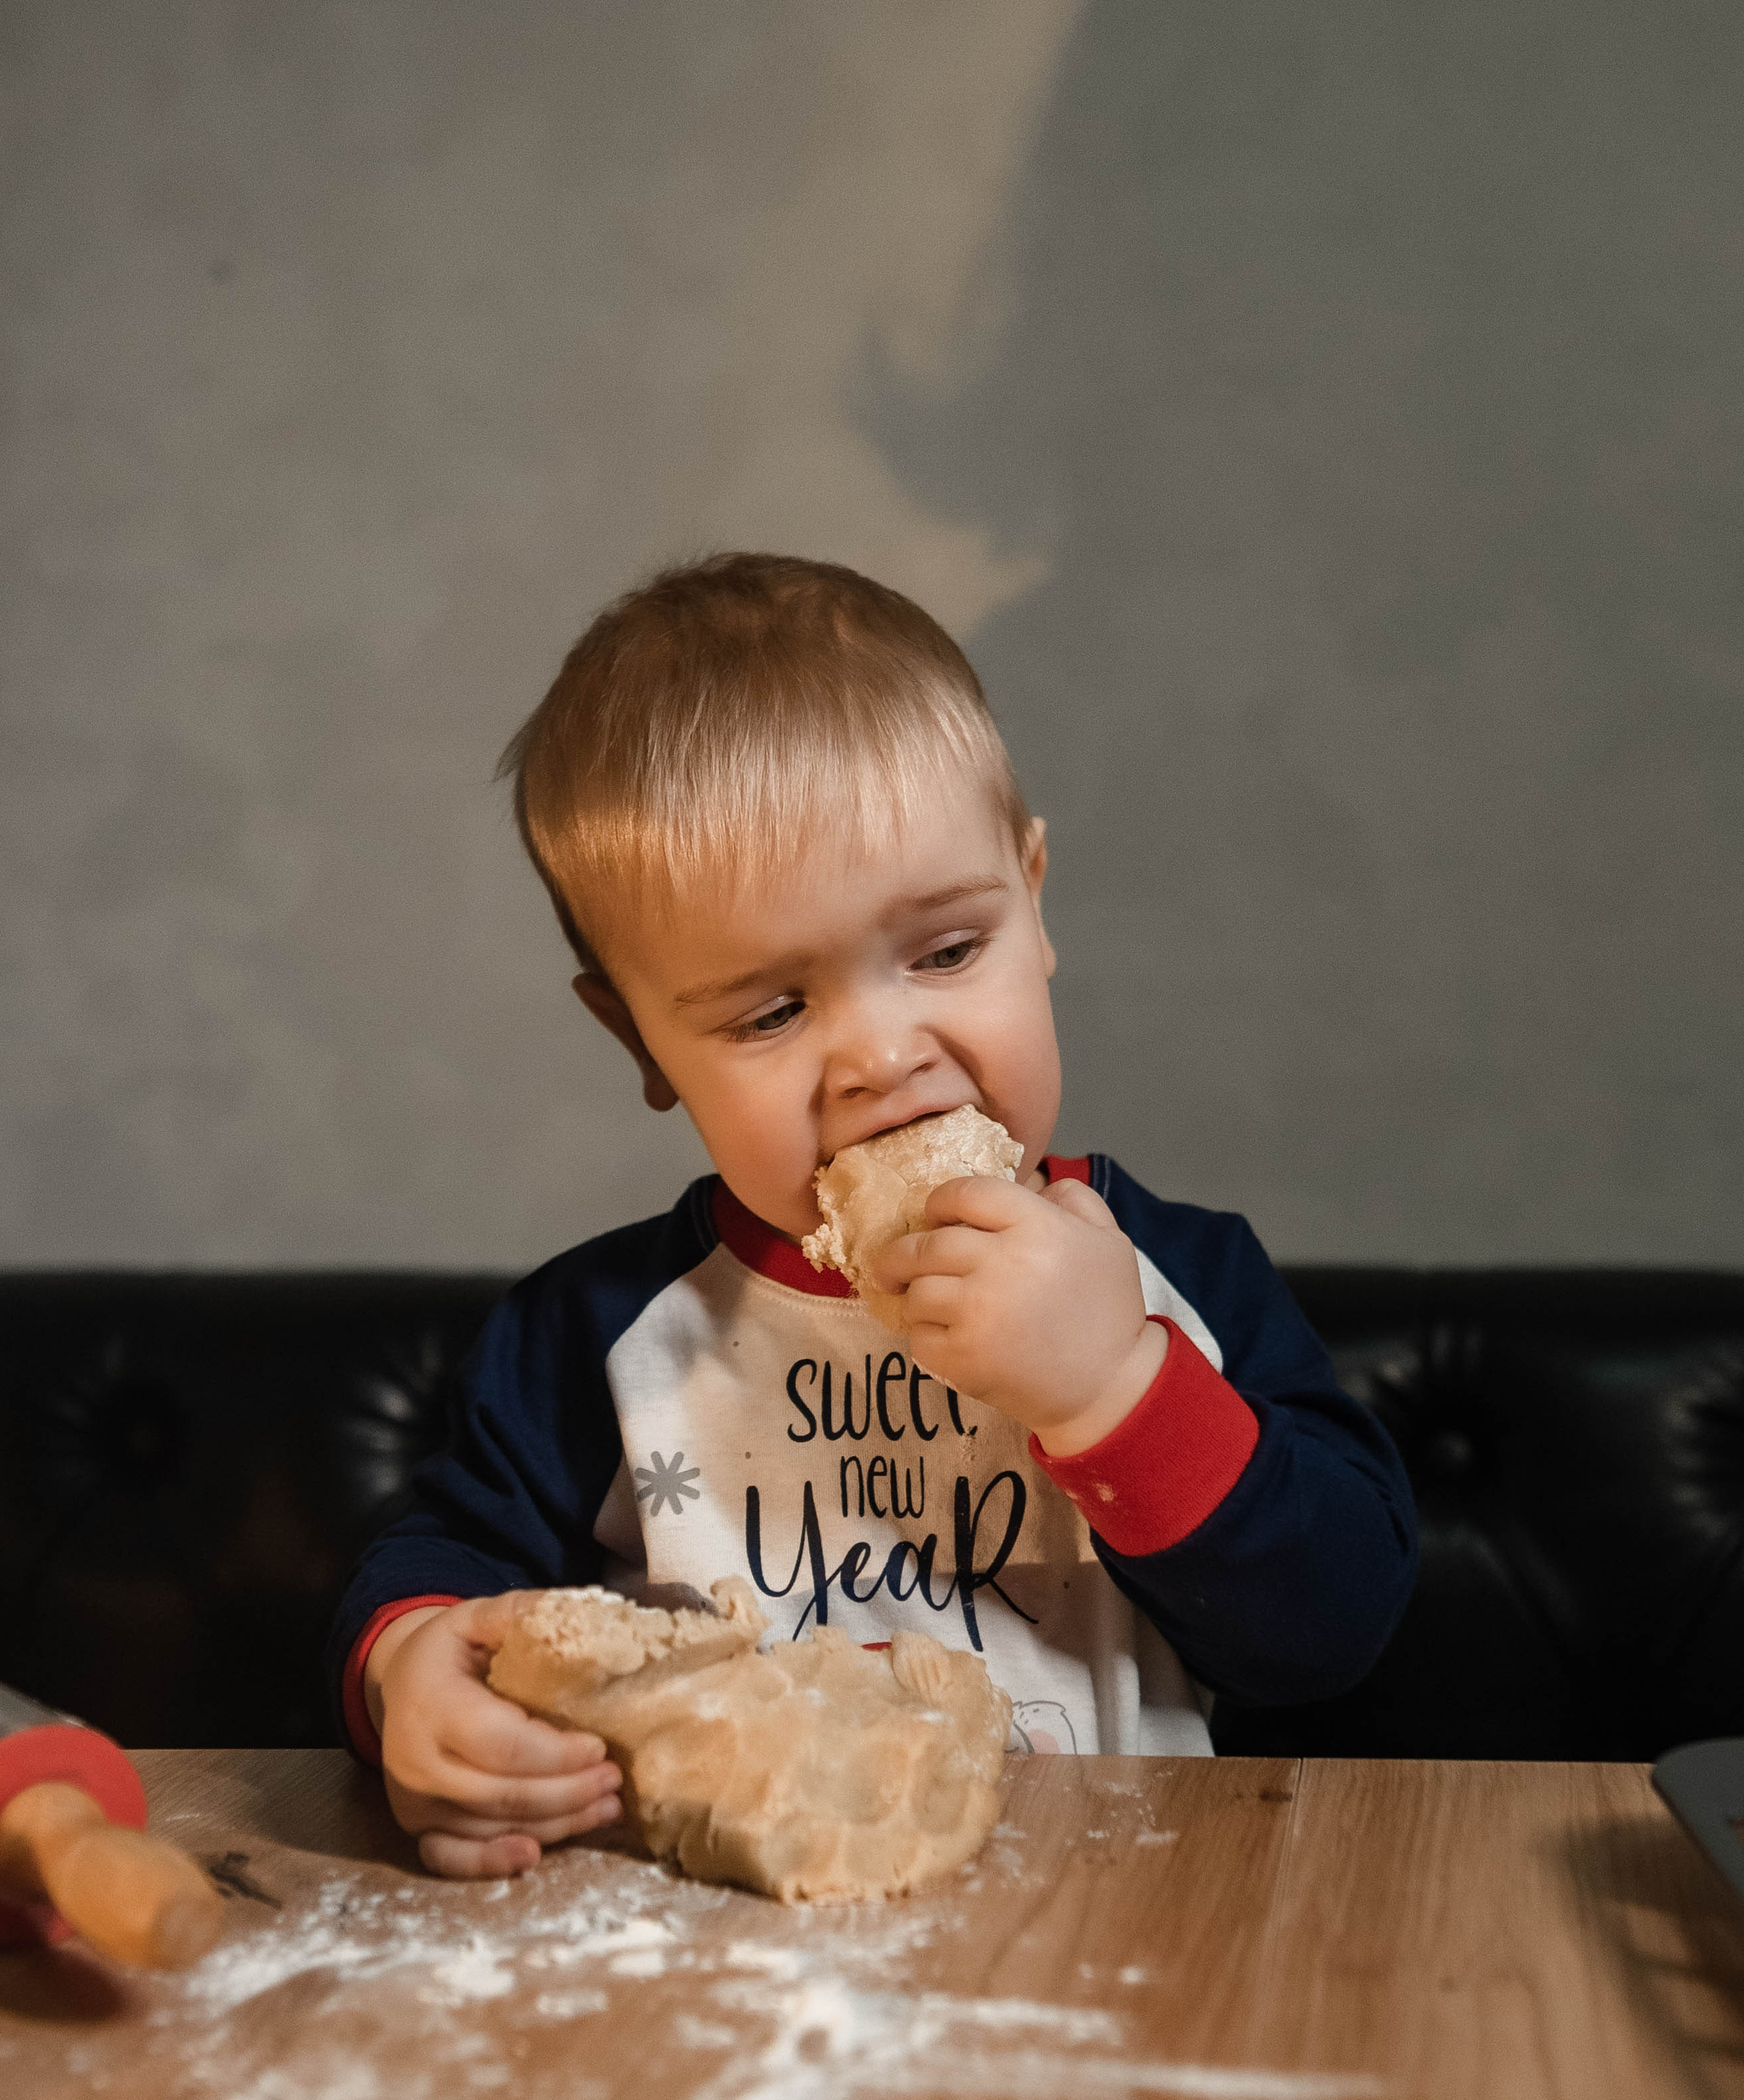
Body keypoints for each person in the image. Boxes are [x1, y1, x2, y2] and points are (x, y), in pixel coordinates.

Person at [329, 554, 1417, 1879]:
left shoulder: (1173, 1277)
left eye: (949, 951)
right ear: (643, 1043)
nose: (881, 1057)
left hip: (1121, 1913)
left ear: (1034, 898)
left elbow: (1334, 1630)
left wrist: (1114, 1388)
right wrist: (412, 1671)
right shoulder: (601, 1336)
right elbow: (441, 1563)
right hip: (715, 1947)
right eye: (772, 1012)